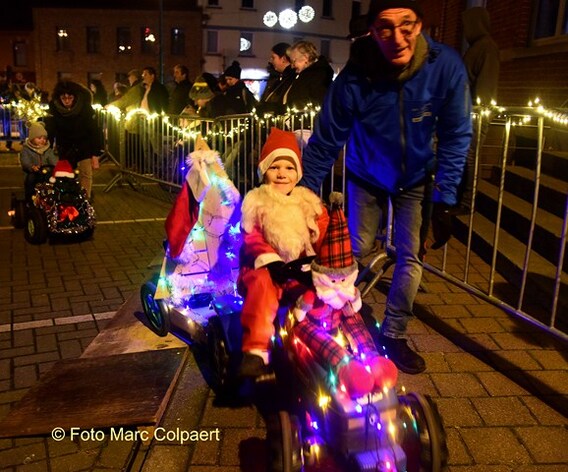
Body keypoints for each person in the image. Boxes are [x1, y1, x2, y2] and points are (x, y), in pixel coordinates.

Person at [299, 0, 472, 374]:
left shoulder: (445, 66)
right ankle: (338, 316)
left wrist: (446, 200)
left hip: (415, 178)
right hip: (366, 173)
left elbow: (457, 135)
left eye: (406, 24)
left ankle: (393, 334)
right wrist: (303, 194)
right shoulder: (355, 75)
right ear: (372, 31)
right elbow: (327, 139)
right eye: (385, 28)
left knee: (411, 257)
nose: (397, 37)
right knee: (353, 250)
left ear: (420, 24)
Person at [238, 128, 329, 377]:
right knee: (263, 286)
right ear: (264, 171)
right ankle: (256, 349)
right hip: (264, 270)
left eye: (289, 168)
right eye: (274, 167)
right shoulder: (257, 201)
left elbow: (323, 234)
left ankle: (326, 337)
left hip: (298, 270)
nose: (282, 174)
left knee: (325, 287)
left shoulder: (307, 201)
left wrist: (331, 258)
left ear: (298, 173)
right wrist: (272, 261)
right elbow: (252, 237)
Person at [292, 192, 398, 399]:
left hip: (339, 316)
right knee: (324, 342)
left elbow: (353, 309)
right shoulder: (316, 293)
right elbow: (300, 315)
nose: (339, 284)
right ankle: (346, 368)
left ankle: (373, 359)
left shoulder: (346, 291)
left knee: (356, 323)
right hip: (315, 323)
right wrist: (300, 308)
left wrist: (353, 300)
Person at [454, 6, 500, 214]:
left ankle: (467, 202)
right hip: (466, 114)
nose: (465, 30)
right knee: (464, 158)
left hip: (474, 115)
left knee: (470, 158)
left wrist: (477, 113)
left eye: (467, 25)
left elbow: (485, 88)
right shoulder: (476, 47)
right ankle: (460, 199)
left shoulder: (487, 48)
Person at [44, 80, 100, 199]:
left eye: (70, 97)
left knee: (86, 174)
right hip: (65, 145)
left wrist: (95, 154)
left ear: (75, 97)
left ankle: (85, 201)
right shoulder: (54, 108)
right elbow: (51, 130)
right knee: (65, 175)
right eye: (64, 98)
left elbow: (94, 130)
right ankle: (68, 200)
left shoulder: (84, 107)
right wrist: (46, 149)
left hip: (84, 145)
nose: (67, 101)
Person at [283, 41, 334, 111]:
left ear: (306, 57)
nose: (292, 66)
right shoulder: (305, 75)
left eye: (293, 61)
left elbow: (318, 103)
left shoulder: (319, 76)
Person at [19, 121, 58, 201]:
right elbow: (25, 161)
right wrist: (32, 166)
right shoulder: (26, 150)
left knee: (53, 180)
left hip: (46, 172)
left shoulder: (48, 150)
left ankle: (52, 197)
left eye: (44, 138)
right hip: (33, 172)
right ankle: (30, 198)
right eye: (39, 138)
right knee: (31, 179)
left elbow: (54, 161)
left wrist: (56, 166)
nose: (42, 140)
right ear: (32, 138)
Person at [258, 42, 295, 115]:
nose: (271, 61)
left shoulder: (291, 78)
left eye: (273, 57)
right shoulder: (275, 78)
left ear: (283, 59)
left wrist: (266, 108)